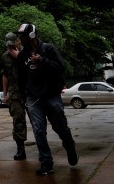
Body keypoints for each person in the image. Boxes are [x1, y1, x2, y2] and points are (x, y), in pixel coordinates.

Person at [12, 23, 78, 176]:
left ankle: (69, 145)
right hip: (33, 99)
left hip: (51, 96)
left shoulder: (48, 49)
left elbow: (61, 67)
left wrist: (42, 60)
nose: (20, 39)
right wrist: (23, 96)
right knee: (39, 130)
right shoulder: (22, 55)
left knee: (60, 127)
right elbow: (20, 78)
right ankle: (46, 163)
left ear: (31, 36)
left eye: (23, 36)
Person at [1, 32, 27, 160]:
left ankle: (42, 147)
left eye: (13, 44)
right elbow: (5, 75)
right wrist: (5, 94)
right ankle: (20, 149)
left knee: (38, 122)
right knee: (18, 121)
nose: (10, 47)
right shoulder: (5, 56)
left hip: (29, 93)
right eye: (8, 45)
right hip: (15, 94)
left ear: (18, 41)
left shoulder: (27, 53)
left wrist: (18, 56)